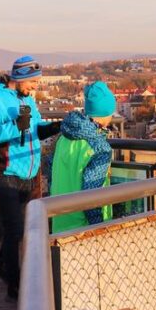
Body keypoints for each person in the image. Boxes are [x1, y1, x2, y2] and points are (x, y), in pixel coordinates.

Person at [0, 55, 61, 300]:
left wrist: (55, 128)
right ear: (21, 77)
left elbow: (34, 129)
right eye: (33, 82)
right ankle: (15, 287)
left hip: (30, 173)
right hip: (5, 174)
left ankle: (1, 263)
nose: (36, 87)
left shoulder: (27, 100)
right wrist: (15, 126)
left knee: (26, 229)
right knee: (14, 231)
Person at [50, 82, 116, 232]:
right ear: (105, 114)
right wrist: (98, 227)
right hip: (83, 228)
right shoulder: (99, 147)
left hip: (59, 220)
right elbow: (91, 193)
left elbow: (51, 174)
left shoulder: (64, 137)